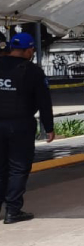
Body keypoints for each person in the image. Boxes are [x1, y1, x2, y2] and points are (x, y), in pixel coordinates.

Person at [0, 33, 54, 224]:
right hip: (20, 125)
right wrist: (49, 127)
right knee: (18, 167)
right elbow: (44, 102)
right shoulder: (33, 72)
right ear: (29, 50)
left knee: (1, 167)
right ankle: (13, 210)